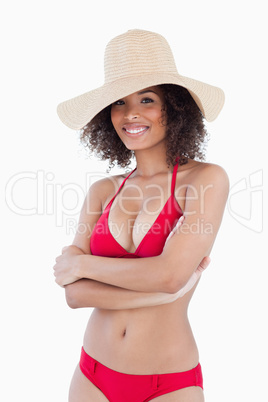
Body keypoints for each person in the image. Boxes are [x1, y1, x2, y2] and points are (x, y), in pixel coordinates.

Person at [54, 29, 229, 402]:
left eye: (146, 99)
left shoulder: (205, 180)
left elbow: (168, 276)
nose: (130, 113)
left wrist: (82, 263)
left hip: (167, 382)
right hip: (91, 375)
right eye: (119, 102)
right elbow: (74, 295)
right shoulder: (103, 190)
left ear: (175, 106)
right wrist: (156, 294)